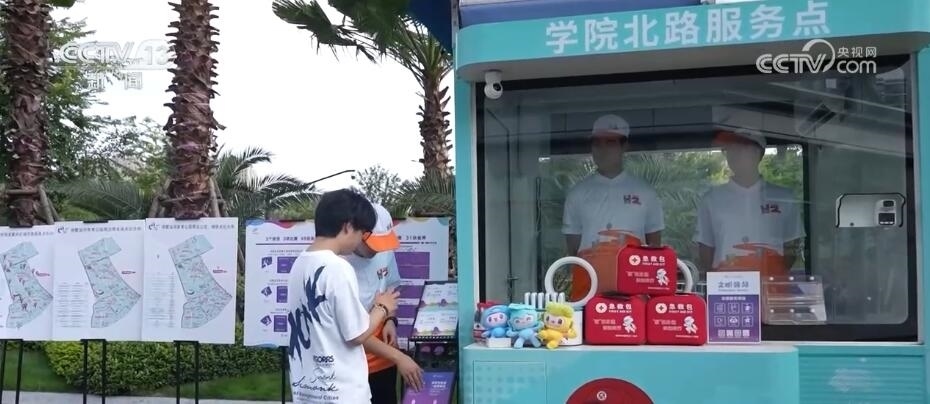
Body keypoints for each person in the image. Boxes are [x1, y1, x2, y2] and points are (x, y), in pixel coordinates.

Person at [286, 189, 400, 404]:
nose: (359, 241)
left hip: (308, 391)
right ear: (347, 226)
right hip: (341, 393)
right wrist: (382, 308)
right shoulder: (338, 267)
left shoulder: (299, 264)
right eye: (361, 232)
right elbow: (356, 334)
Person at [562, 114, 665, 300]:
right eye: (597, 143)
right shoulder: (577, 193)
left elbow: (654, 246)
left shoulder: (645, 192)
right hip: (588, 288)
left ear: (624, 146)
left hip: (634, 287)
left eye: (610, 143)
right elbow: (573, 248)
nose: (602, 150)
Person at [693, 129, 805, 279]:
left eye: (742, 148)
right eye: (731, 149)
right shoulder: (711, 199)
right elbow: (705, 247)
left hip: (771, 284)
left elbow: (791, 244)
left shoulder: (784, 197)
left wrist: (774, 276)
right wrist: (716, 278)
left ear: (759, 153)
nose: (735, 154)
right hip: (727, 285)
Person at [344, 202, 425, 402]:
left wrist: (390, 320)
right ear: (357, 234)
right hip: (353, 361)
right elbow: (352, 332)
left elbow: (389, 286)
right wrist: (399, 357)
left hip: (383, 356)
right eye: (373, 244)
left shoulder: (384, 252)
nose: (378, 251)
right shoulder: (339, 266)